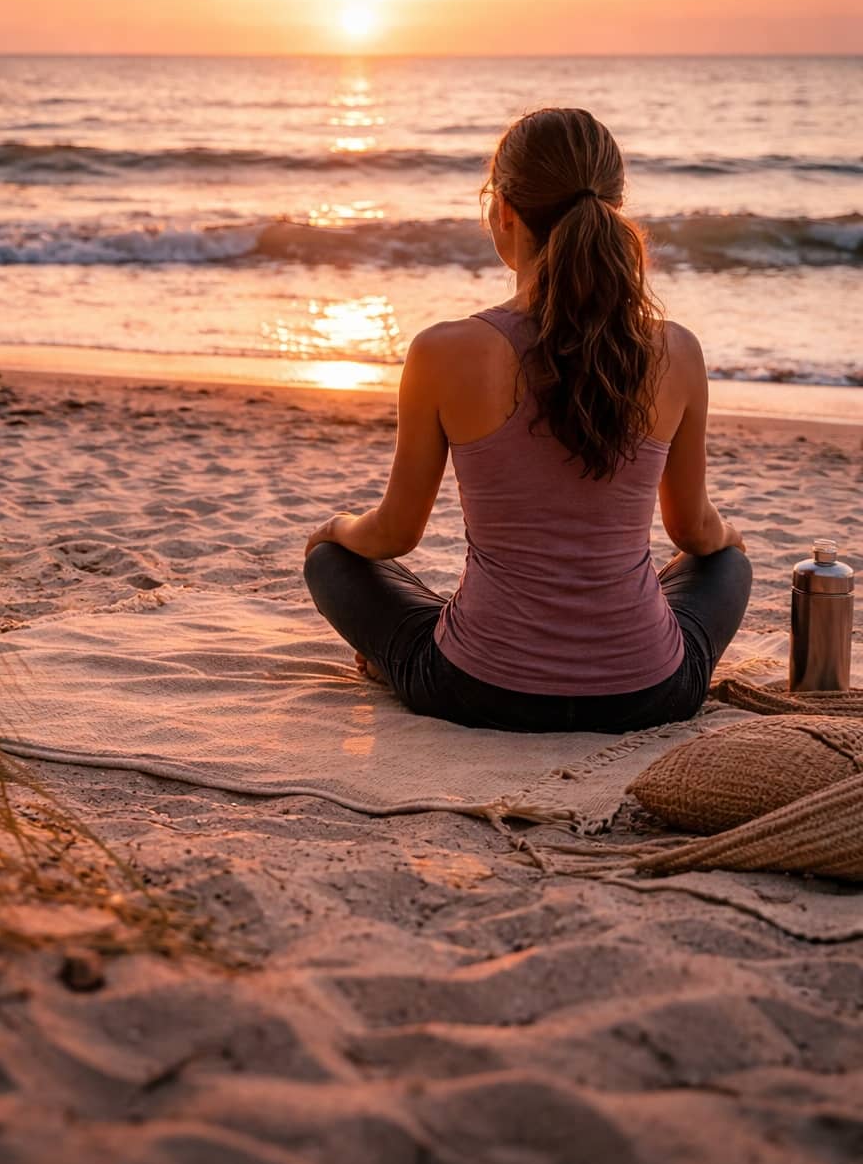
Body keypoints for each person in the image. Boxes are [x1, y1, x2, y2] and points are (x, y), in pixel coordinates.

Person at [303, 106, 751, 734]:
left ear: (504, 210)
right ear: (613, 209)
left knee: (330, 560)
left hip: (478, 690)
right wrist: (728, 539)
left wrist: (336, 528)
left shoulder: (444, 349)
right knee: (728, 565)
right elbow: (695, 534)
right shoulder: (678, 350)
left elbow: (392, 537)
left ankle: (424, 645)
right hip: (648, 693)